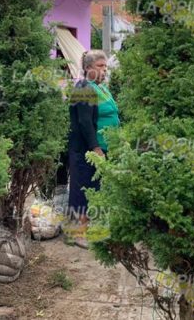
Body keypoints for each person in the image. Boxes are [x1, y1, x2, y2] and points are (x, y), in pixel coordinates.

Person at [67, 51, 120, 247]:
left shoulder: (100, 88)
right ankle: (78, 234)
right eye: (100, 66)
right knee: (83, 187)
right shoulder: (83, 89)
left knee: (95, 188)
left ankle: (91, 229)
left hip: (102, 147)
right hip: (85, 149)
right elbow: (84, 122)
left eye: (105, 66)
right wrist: (96, 147)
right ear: (88, 68)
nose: (104, 70)